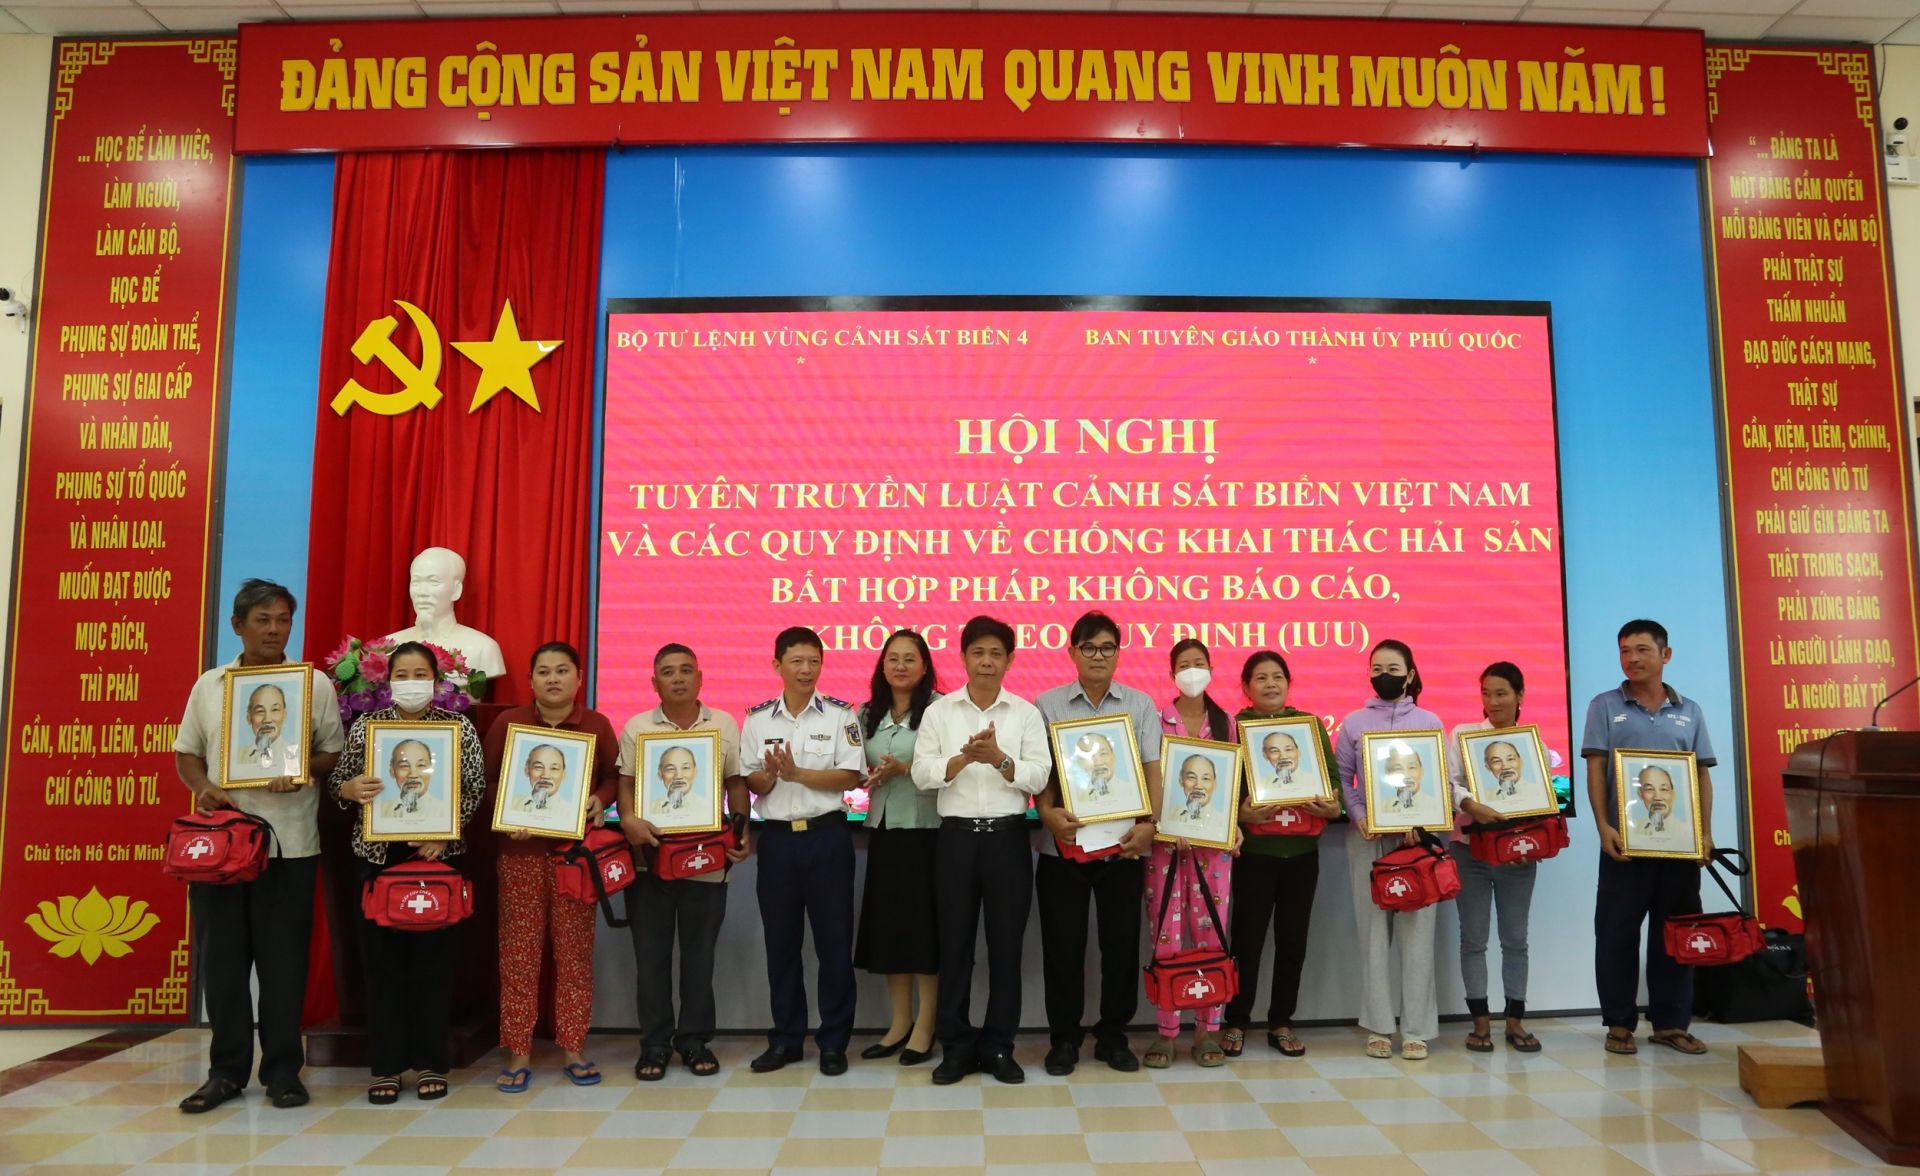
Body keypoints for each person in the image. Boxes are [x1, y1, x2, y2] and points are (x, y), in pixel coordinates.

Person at [172, 579, 345, 1113]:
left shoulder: (312, 685)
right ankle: (225, 1073)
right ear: (237, 626)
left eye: (283, 620)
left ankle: (283, 1073)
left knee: (284, 966)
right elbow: (186, 752)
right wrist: (203, 787)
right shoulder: (210, 686)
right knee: (222, 965)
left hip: (289, 845)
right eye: (263, 620)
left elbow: (333, 752)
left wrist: (303, 769)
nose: (274, 630)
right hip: (222, 850)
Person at [330, 642, 487, 1102]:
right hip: (379, 860)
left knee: (434, 968)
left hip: (438, 861)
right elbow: (339, 783)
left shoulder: (458, 727)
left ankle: (431, 1062)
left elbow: (474, 788)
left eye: (421, 675)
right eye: (403, 674)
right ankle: (386, 1065)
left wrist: (446, 833)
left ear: (436, 682)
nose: (412, 683)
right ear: (387, 680)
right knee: (382, 968)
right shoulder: (368, 728)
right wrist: (348, 789)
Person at [912, 616, 1050, 1085]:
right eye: (978, 653)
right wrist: (964, 759)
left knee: (1006, 947)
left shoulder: (1025, 713)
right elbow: (922, 773)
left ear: (1010, 660)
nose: (986, 661)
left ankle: (998, 1046)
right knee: (955, 946)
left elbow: (1039, 776)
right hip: (956, 839)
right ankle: (955, 1047)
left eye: (995, 653)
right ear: (963, 657)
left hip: (1008, 839)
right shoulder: (940, 712)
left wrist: (1000, 760)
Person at [482, 641, 620, 1092]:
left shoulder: (596, 725)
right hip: (519, 857)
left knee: (575, 955)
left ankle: (574, 1048)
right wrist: (508, 815)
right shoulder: (510, 723)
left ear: (579, 678)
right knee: (519, 956)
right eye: (544, 671)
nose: (553, 679)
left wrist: (601, 800)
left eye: (563, 670)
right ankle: (518, 1051)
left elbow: (613, 777)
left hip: (574, 858)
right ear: (531, 680)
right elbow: (487, 780)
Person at [615, 643, 751, 1081]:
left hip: (707, 861)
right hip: (650, 861)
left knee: (699, 958)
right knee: (651, 958)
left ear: (700, 678)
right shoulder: (638, 727)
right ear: (654, 682)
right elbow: (625, 785)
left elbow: (735, 784)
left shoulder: (723, 724)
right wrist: (629, 820)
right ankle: (654, 1045)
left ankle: (694, 1041)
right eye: (668, 672)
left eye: (686, 670)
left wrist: (741, 833)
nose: (678, 678)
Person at [1034, 611, 1162, 1076]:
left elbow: (1152, 770)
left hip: (1122, 847)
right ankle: (1064, 1039)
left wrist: (1151, 824)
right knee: (1062, 949)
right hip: (1063, 848)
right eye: (1088, 647)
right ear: (1072, 652)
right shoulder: (1047, 705)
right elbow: (1043, 773)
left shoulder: (1140, 706)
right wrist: (1046, 813)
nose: (1098, 655)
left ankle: (1113, 1035)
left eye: (1107, 647)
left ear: (1118, 653)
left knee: (1121, 947)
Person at [1584, 619, 1716, 1056]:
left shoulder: (1689, 710)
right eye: (1625, 651)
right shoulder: (1605, 706)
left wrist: (1705, 833)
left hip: (1679, 847)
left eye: (1642, 649)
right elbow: (1596, 770)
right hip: (1624, 844)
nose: (1632, 658)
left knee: (1676, 934)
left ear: (1665, 655)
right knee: (1615, 935)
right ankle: (1619, 1024)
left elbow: (1701, 775)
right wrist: (1603, 826)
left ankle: (1671, 1023)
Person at [740, 627, 865, 1075]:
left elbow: (851, 776)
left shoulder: (841, 715)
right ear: (778, 665)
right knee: (781, 945)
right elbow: (751, 780)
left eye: (814, 661)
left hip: (826, 838)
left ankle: (834, 1043)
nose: (806, 669)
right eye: (797, 661)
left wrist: (797, 774)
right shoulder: (757, 720)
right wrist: (772, 776)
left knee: (834, 945)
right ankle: (786, 1040)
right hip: (776, 842)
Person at [1221, 650, 1341, 1059]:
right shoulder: (1235, 728)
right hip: (1255, 853)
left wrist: (1333, 806)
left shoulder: (1309, 726)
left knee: (1293, 941)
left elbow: (1333, 783)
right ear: (1245, 686)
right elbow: (1223, 790)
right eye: (1261, 678)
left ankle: (1281, 1022)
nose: (1270, 684)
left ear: (1289, 683)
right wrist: (1238, 813)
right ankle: (1236, 1021)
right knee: (1247, 941)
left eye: (1278, 677)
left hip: (1303, 852)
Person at [1335, 638, 1446, 1060]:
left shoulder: (1430, 722)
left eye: (1394, 669)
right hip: (1368, 841)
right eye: (1377, 668)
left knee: (1419, 939)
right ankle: (1379, 1026)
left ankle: (1417, 1029)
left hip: (1418, 845)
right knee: (1373, 937)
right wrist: (1360, 816)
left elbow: (1437, 781)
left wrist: (1423, 825)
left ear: (1410, 674)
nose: (1385, 675)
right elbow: (1344, 778)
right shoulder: (1353, 723)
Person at [1143, 639, 1236, 1068]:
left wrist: (1232, 826)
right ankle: (1166, 1033)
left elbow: (1233, 786)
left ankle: (1207, 1032)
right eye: (1184, 665)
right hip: (1164, 846)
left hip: (1213, 850)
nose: (1192, 671)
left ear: (1211, 669)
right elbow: (1148, 778)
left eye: (1199, 663)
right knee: (1166, 934)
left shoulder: (1225, 722)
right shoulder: (1155, 720)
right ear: (1172, 674)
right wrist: (1167, 823)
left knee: (1211, 934)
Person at [853, 630, 942, 1067]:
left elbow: (946, 768)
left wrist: (903, 769)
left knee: (925, 931)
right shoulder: (866, 713)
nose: (901, 666)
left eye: (910, 658)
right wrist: (865, 776)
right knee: (891, 929)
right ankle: (900, 1022)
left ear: (925, 667)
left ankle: (926, 1026)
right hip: (885, 830)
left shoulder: (940, 710)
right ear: (882, 665)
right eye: (893, 658)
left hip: (929, 832)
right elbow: (853, 766)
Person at [1447, 662, 1546, 1055]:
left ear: (1520, 695)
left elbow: (1541, 801)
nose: (1493, 701)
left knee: (1515, 940)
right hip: (1468, 850)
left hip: (1517, 856)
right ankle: (1480, 1021)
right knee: (1472, 940)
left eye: (1501, 693)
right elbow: (1450, 783)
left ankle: (1516, 1020)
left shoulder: (1533, 745)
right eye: (1486, 693)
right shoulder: (1463, 735)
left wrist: (1529, 842)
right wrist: (1471, 804)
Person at [383, 546, 507, 680]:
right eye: (416, 582)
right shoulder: (387, 647)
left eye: (433, 582)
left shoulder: (482, 648)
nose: (422, 592)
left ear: (456, 590)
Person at [236, 684, 301, 773]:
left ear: (284, 715)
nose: (267, 720)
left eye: (275, 710)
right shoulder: (237, 757)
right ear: (249, 717)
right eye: (260, 711)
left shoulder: (295, 754)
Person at [385, 740, 433, 816]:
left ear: (431, 770)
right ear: (392, 772)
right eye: (404, 766)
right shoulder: (381, 811)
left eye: (420, 765)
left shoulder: (445, 812)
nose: (413, 775)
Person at [1628, 766, 1678, 834]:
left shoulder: (1687, 832)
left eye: (1664, 789)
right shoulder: (1632, 830)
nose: (1657, 797)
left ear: (1673, 794)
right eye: (1650, 789)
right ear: (1640, 794)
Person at [515, 744, 566, 810]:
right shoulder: (512, 804)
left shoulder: (570, 812)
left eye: (554, 768)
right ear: (527, 771)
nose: (546, 776)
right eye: (539, 767)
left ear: (563, 775)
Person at [1382, 745, 1424, 811]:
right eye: (1398, 769)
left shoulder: (1436, 806)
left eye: (1412, 767)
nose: (1406, 775)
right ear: (1388, 774)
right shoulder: (1381, 808)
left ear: (1422, 772)